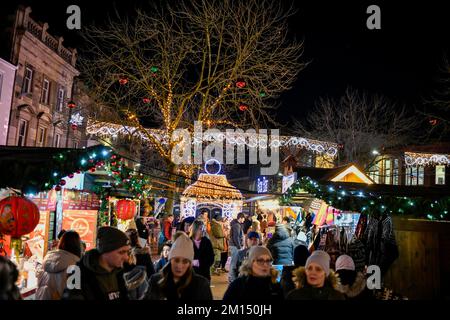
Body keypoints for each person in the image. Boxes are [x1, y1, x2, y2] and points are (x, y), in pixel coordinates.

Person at [62, 226, 131, 300]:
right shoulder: (78, 274)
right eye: (121, 252)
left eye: (127, 252)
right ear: (106, 251)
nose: (126, 257)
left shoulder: (121, 272)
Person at [145, 233, 213, 300]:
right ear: (170, 260)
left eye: (185, 262)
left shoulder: (201, 285)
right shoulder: (155, 281)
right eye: (176, 260)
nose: (179, 266)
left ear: (189, 264)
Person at [36, 230, 82, 300]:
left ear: (61, 243)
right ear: (77, 245)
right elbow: (74, 294)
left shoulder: (48, 258)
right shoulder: (75, 265)